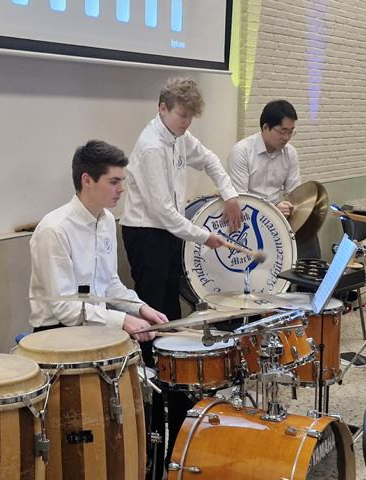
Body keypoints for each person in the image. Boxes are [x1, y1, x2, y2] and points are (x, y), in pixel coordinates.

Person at [119, 77, 242, 478]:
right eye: (182, 115)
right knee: (156, 312)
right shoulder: (152, 146)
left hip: (168, 232)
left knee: (171, 311)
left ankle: (174, 389)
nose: (186, 123)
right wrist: (205, 236)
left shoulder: (179, 137)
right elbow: (162, 212)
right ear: (163, 108)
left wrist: (229, 194)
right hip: (146, 233)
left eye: (190, 117)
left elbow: (210, 160)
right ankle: (155, 394)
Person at [28, 140, 168, 341]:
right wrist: (122, 320)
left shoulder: (107, 220)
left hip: (95, 327)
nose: (121, 189)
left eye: (122, 181)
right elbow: (64, 307)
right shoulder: (54, 230)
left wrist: (139, 307)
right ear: (87, 180)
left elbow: (109, 283)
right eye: (113, 182)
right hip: (55, 335)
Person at [227, 99, 321, 259]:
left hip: (279, 218)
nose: (287, 137)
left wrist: (293, 208)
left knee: (309, 233)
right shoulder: (242, 151)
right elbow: (241, 200)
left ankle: (309, 274)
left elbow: (295, 194)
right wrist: (273, 208)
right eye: (282, 131)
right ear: (265, 127)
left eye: (291, 132)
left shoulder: (290, 153)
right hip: (250, 220)